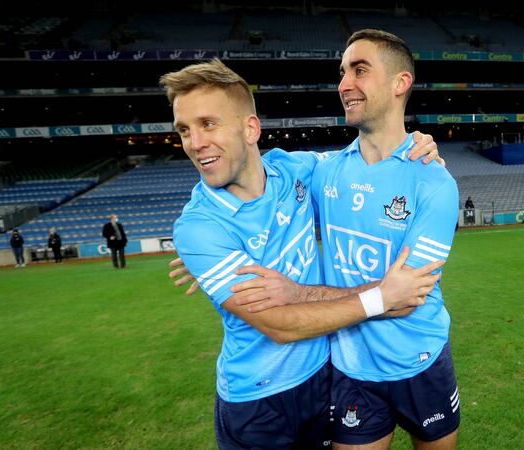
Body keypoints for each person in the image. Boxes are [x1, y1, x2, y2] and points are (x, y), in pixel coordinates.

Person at [160, 58, 443, 449]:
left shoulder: (292, 171)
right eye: (184, 130)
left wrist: (418, 149)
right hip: (257, 402)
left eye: (208, 124)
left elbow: (367, 154)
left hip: (323, 379)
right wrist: (384, 297)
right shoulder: (198, 228)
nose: (194, 142)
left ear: (250, 128)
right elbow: (281, 325)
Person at [233, 30, 460, 449]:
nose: (343, 84)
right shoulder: (323, 171)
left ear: (400, 83)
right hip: (352, 370)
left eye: (359, 70)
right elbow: (240, 168)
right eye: (341, 72)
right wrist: (203, 228)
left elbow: (404, 299)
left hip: (421, 361)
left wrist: (297, 295)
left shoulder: (434, 183)